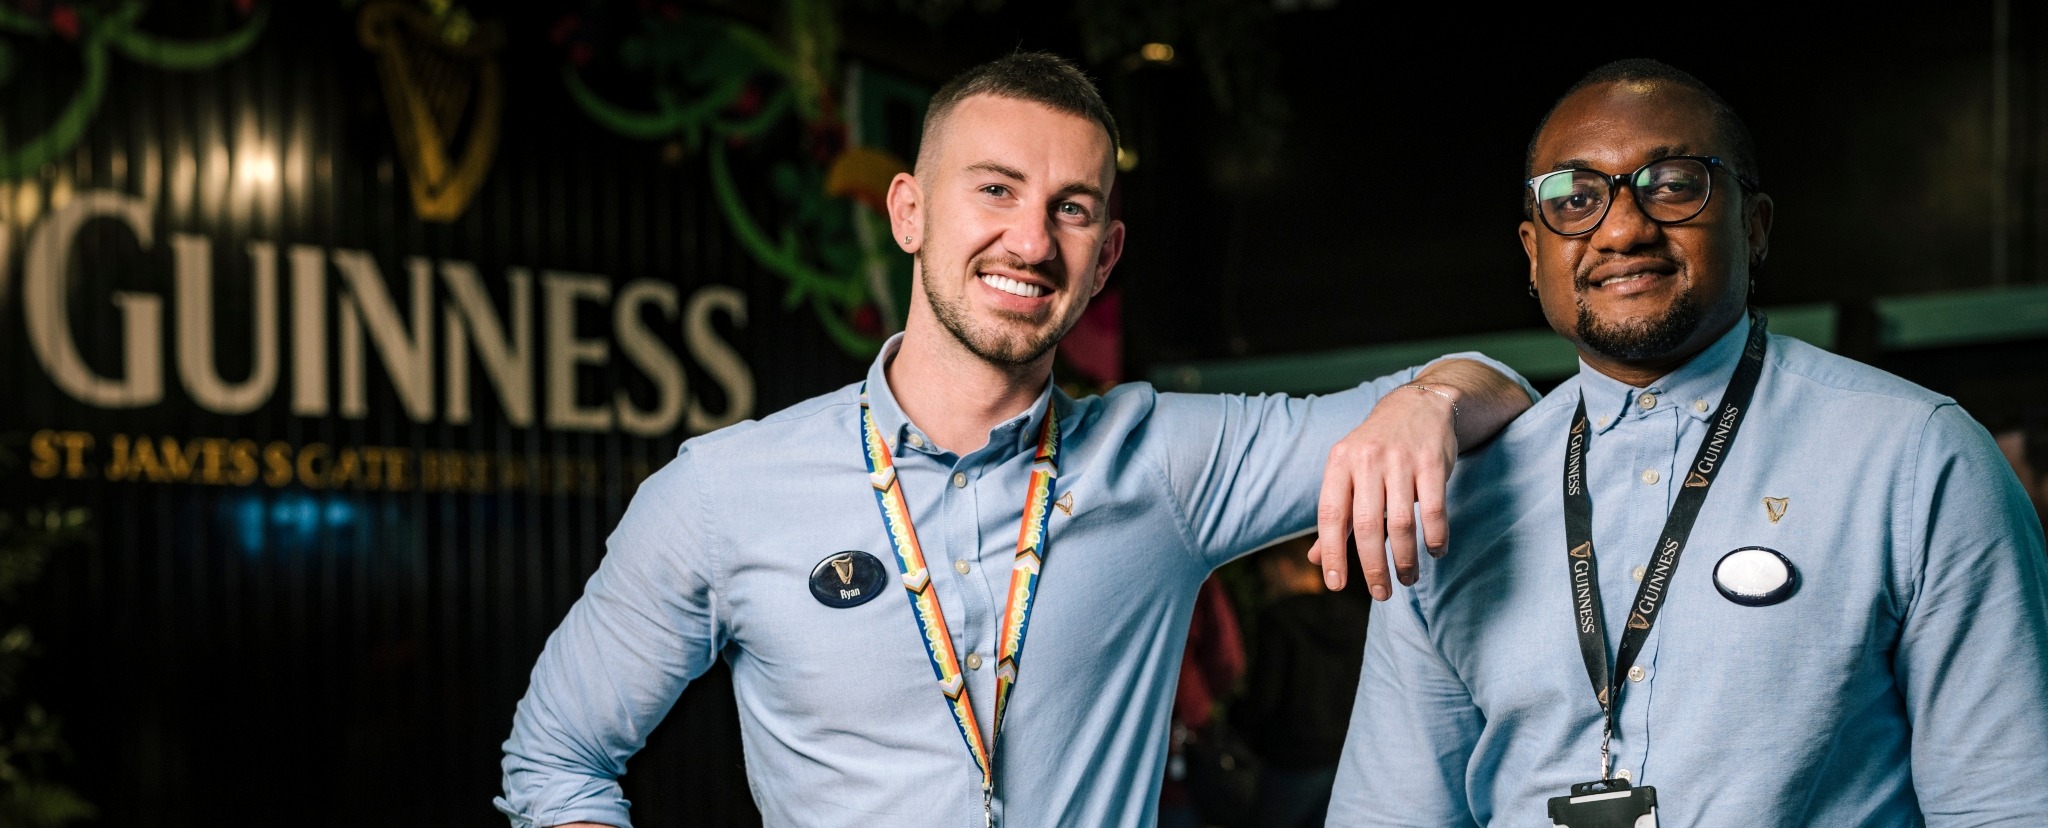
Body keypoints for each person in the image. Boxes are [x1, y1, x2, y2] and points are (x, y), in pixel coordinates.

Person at [496, 51, 1535, 827]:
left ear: (1105, 255)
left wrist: (1427, 401)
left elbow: (1505, 390)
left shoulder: (1170, 462)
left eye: (1071, 209)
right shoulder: (721, 491)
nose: (1030, 240)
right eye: (992, 188)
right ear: (907, 211)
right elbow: (556, 760)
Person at [1327, 58, 2048, 826]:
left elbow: (2003, 803)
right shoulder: (1450, 496)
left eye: (1673, 185)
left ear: (1754, 224)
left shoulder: (1915, 460)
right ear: (1534, 254)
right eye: (1575, 199)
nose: (1624, 228)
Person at [1230, 534, 1367, 828]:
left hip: (1291, 762)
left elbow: (1264, 697)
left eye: (1268, 571)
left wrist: (1235, 724)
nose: (1267, 581)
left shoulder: (1278, 620)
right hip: (1347, 758)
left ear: (1284, 567)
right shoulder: (1356, 615)